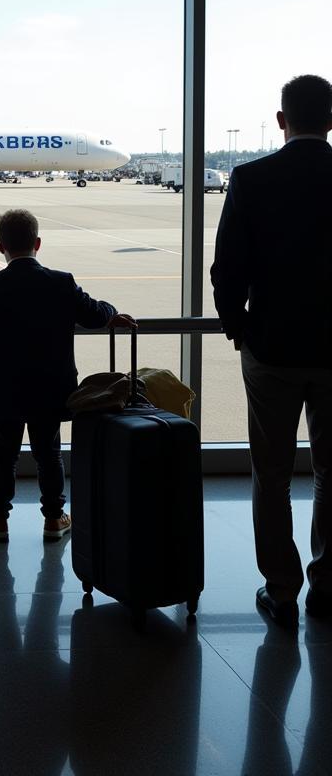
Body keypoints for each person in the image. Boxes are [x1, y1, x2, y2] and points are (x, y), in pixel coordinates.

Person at [212, 73, 332, 626]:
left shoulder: (252, 177)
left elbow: (228, 264)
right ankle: (327, 586)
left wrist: (238, 325)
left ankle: (281, 590)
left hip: (274, 348)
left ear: (281, 120)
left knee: (272, 473)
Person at [0, 208, 132, 542]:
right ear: (37, 243)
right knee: (49, 454)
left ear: (1, 246)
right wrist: (112, 311)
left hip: (5, 387)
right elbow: (96, 315)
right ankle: (54, 518)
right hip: (51, 386)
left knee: (3, 456)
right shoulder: (61, 282)